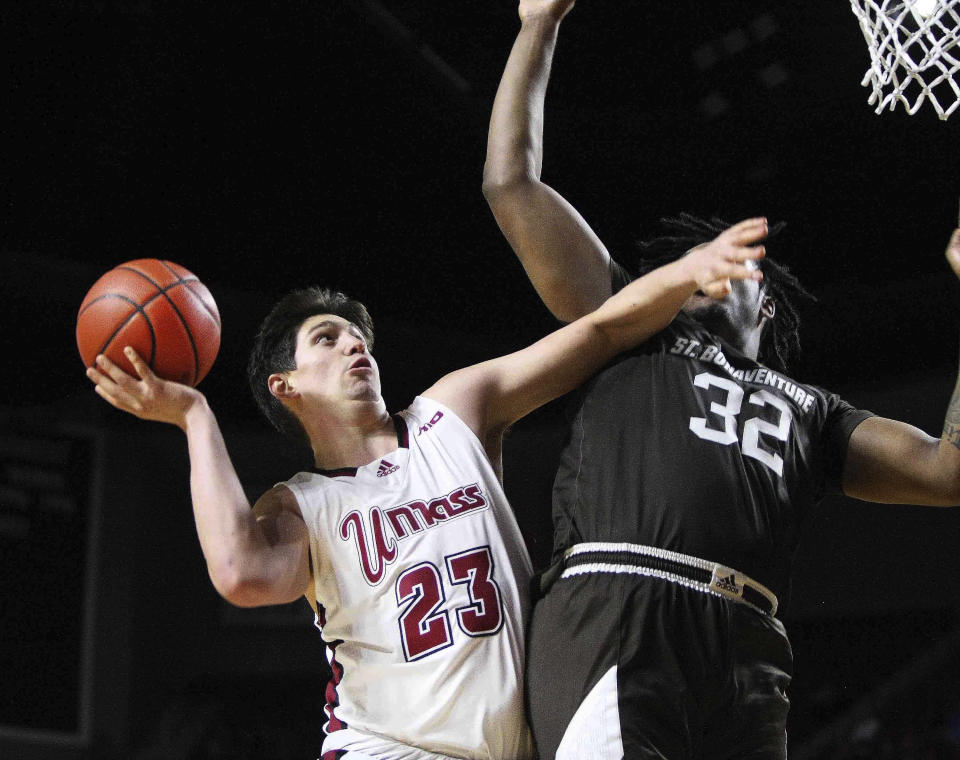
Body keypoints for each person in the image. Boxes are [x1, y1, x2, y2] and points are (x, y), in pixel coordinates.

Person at [482, 1, 960, 758]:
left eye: (721, 257)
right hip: (619, 612)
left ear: (765, 300)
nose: (701, 264)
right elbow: (511, 186)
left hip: (748, 646)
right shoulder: (628, 325)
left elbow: (948, 470)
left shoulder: (814, 413)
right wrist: (538, 25)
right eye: (688, 257)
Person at [85, 236, 767, 760]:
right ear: (283, 386)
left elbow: (595, 334)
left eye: (359, 336)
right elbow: (240, 573)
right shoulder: (300, 506)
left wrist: (685, 273)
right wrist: (195, 418)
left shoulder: (453, 413)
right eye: (328, 338)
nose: (356, 344)